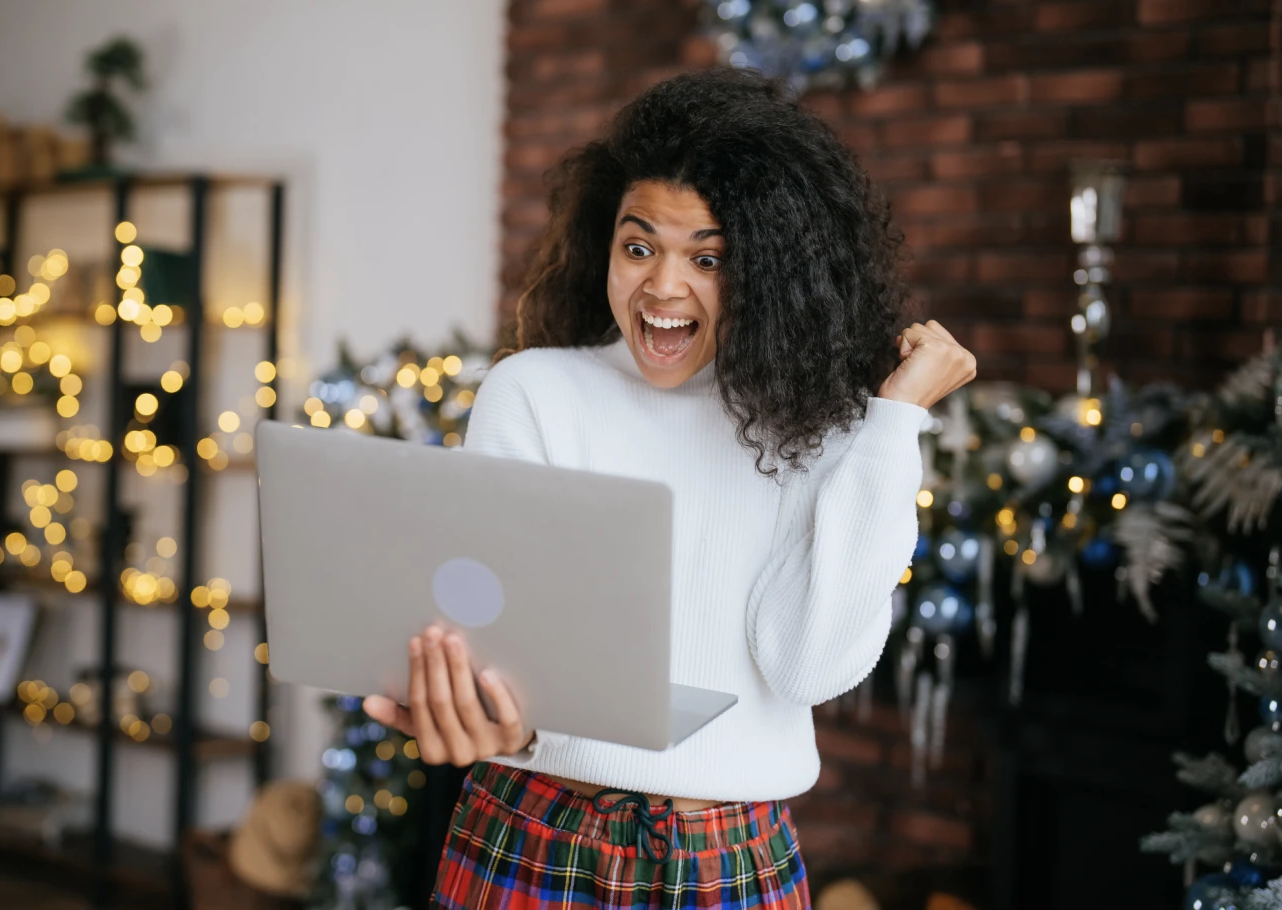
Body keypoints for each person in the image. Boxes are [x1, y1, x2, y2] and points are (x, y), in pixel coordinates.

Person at [364, 67, 975, 908]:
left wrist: (893, 424)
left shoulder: (822, 426)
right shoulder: (536, 393)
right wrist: (496, 711)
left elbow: (809, 666)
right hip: (538, 832)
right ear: (604, 243)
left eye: (709, 257)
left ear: (771, 270)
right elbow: (512, 645)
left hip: (733, 857)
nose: (661, 288)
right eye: (639, 244)